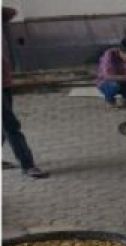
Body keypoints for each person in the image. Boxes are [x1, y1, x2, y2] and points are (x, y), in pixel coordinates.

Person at [2, 6, 47, 178]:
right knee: (11, 125)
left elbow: (10, 12)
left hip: (4, 82)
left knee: (4, 126)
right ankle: (28, 165)